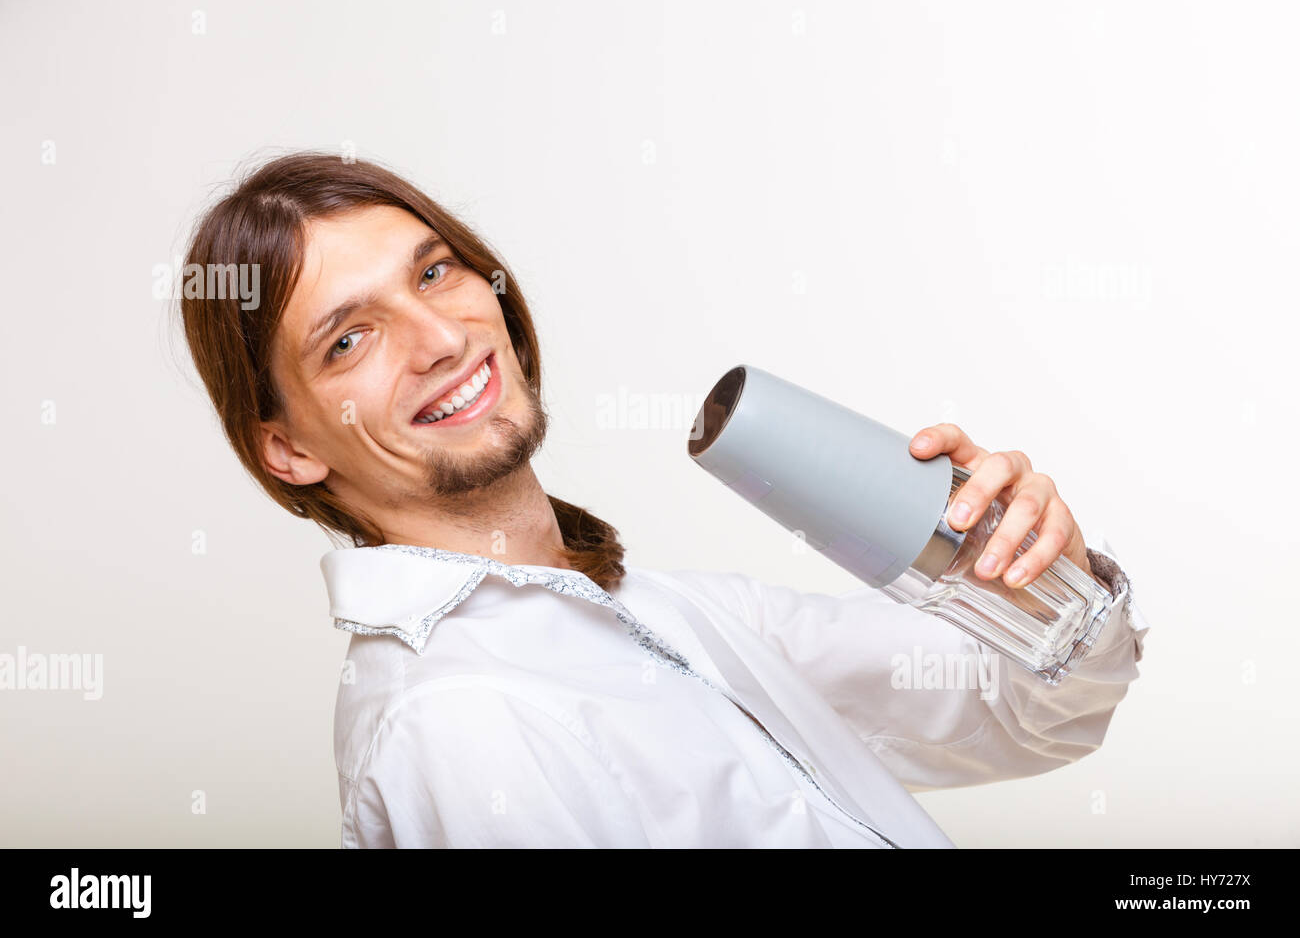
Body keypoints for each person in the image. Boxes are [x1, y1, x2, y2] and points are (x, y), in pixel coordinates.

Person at [178, 151, 1149, 848]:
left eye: (435, 271)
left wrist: (1022, 573)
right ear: (289, 445)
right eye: (350, 338)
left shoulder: (664, 611)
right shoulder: (457, 722)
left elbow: (1024, 711)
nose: (437, 336)